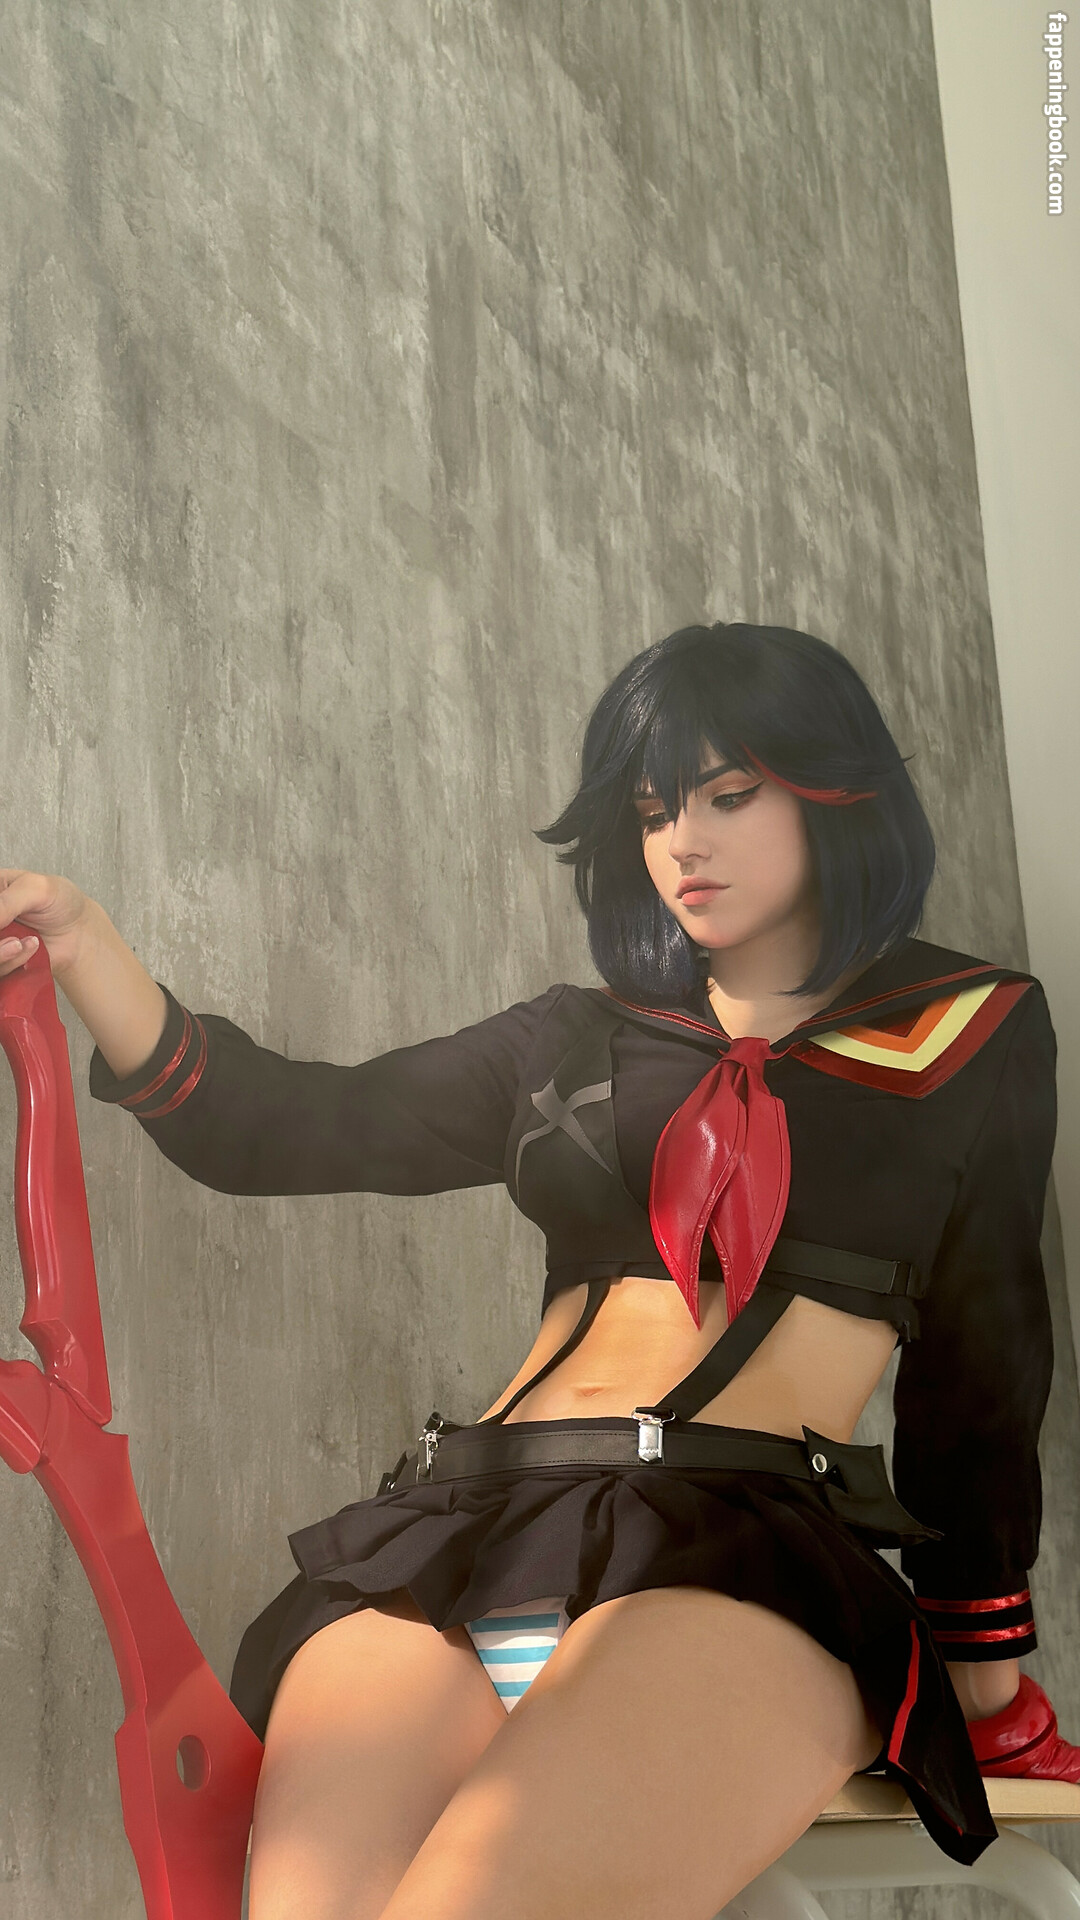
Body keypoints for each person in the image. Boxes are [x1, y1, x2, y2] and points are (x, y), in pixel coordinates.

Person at [1, 619, 1074, 1920]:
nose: (683, 842)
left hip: (743, 1551)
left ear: (835, 788)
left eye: (729, 795)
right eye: (654, 810)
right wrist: (82, 942)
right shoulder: (574, 1038)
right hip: (462, 1532)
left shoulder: (971, 1029)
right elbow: (278, 1123)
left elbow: (984, 1369)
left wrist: (982, 1674)